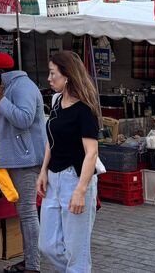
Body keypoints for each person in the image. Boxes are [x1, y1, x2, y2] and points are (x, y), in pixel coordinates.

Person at [38, 50, 100, 273]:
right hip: (53, 179)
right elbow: (51, 140)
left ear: (68, 76)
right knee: (47, 245)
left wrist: (80, 191)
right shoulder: (56, 102)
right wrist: (43, 171)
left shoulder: (85, 110)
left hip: (75, 179)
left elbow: (91, 152)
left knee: (77, 250)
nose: (49, 78)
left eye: (53, 73)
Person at [0, 52, 45, 273]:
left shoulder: (22, 88)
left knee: (28, 212)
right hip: (20, 158)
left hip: (26, 160)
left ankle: (33, 266)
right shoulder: (15, 87)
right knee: (24, 212)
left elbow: (24, 119)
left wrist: (0, 100)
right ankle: (29, 261)